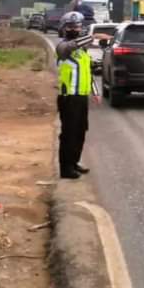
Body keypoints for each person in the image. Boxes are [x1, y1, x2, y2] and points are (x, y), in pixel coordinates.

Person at [55, 11, 112, 179]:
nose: (74, 29)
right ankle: (66, 168)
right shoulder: (63, 47)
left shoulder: (82, 52)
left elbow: (87, 73)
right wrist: (92, 36)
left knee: (80, 131)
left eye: (77, 26)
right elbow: (71, 46)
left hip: (81, 97)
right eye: (71, 26)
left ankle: (74, 162)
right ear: (64, 29)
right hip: (68, 97)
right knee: (69, 133)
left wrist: (95, 92)